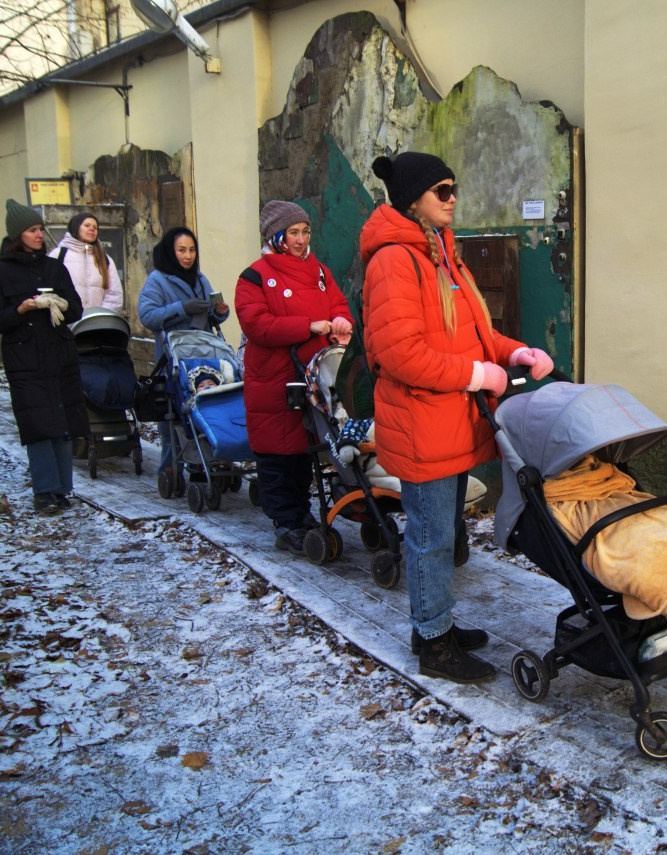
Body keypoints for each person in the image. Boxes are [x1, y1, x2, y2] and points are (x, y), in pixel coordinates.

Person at [360, 152, 554, 683]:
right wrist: (476, 376)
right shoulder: (395, 261)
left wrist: (514, 353)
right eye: (441, 190)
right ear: (412, 200)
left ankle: (435, 623)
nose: (451, 198)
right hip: (424, 422)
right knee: (430, 538)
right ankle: (432, 642)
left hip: (449, 420)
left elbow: (473, 333)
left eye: (453, 188)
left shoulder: (442, 253)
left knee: (442, 530)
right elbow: (400, 353)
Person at [235, 200, 354, 555]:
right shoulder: (254, 276)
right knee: (277, 455)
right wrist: (307, 326)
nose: (301, 240)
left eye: (305, 232)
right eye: (293, 233)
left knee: (305, 452)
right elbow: (255, 323)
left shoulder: (318, 271)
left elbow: (337, 304)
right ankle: (285, 521)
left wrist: (341, 321)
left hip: (315, 376)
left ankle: (301, 515)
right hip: (275, 378)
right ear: (277, 236)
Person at [0, 199, 89, 514]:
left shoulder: (53, 267)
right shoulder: (0, 274)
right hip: (24, 357)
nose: (39, 235)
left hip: (58, 353)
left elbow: (77, 307)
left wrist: (59, 303)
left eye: (41, 229)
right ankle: (45, 492)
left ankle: (62, 490)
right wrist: (22, 308)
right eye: (32, 230)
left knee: (63, 420)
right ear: (18, 235)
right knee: (38, 423)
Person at [138, 227, 228, 480]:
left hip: (203, 355)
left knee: (206, 405)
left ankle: (208, 460)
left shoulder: (200, 279)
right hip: (174, 358)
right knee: (175, 413)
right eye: (181, 250)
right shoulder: (158, 280)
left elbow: (213, 315)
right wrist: (181, 308)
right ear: (171, 251)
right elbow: (148, 315)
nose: (188, 256)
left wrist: (219, 311)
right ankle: (171, 465)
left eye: (192, 250)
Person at [49, 213, 124, 313]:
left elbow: (114, 294)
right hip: (67, 322)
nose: (92, 229)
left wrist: (99, 315)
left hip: (96, 323)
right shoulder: (58, 255)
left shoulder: (105, 258)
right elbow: (49, 290)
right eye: (87, 225)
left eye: (95, 227)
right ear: (76, 227)